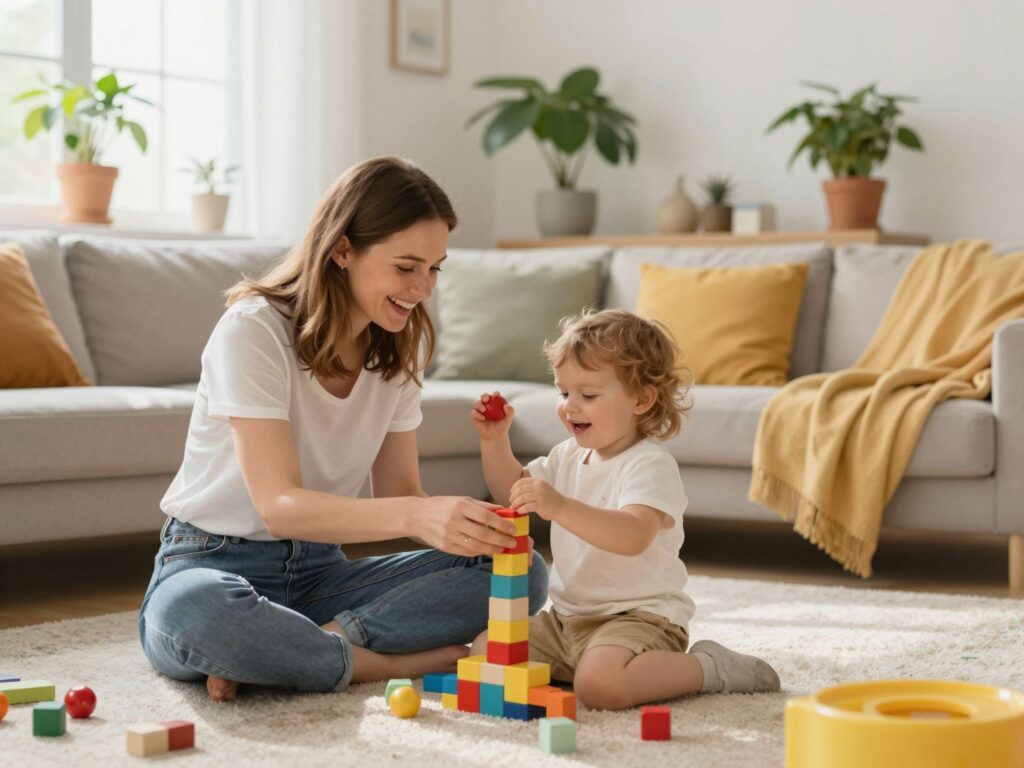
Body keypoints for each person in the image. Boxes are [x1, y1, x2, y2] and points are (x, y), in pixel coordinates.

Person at [138, 157, 548, 702]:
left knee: (523, 571)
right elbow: (278, 504)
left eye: (435, 268)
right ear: (343, 250)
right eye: (407, 267)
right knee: (197, 614)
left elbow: (401, 495)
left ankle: (307, 649)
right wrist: (417, 513)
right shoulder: (255, 330)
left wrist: (466, 524)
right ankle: (374, 662)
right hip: (210, 560)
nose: (424, 288)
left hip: (321, 574)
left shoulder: (402, 344)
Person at [469, 309, 780, 711]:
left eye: (589, 395)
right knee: (484, 651)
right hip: (567, 620)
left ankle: (707, 667)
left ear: (641, 399)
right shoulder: (567, 455)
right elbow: (513, 491)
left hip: (639, 618)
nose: (570, 407)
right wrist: (495, 442)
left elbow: (632, 536)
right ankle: (583, 665)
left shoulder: (648, 464)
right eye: (564, 393)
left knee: (602, 689)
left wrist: (560, 505)